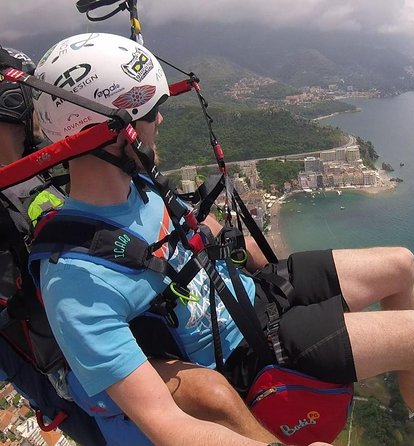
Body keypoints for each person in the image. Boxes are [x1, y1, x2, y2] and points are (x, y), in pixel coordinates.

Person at [27, 33, 414, 446]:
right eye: (153, 112)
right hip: (240, 351)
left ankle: (409, 379)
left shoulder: (137, 187)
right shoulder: (76, 279)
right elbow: (165, 423)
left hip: (247, 293)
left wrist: (261, 257)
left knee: (401, 265)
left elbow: (197, 237)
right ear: (121, 133)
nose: (161, 122)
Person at [0, 45, 281, 445]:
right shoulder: (60, 248)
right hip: (79, 344)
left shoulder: (55, 178)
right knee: (210, 394)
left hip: (125, 311)